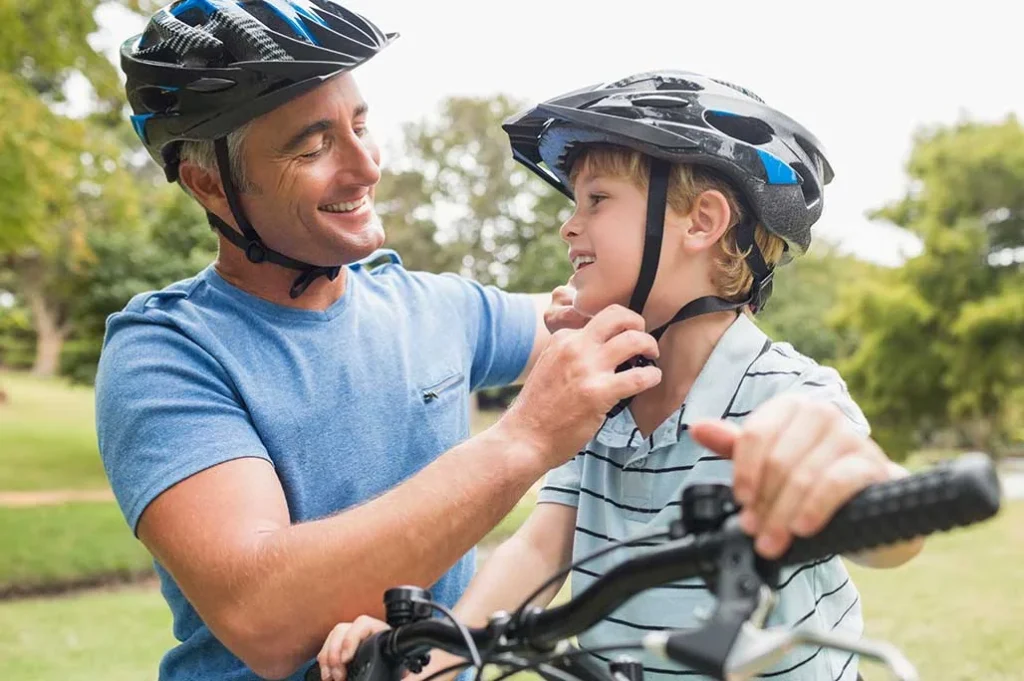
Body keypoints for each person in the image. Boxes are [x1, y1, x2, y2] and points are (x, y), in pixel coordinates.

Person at [95, 3, 662, 680]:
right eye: (313, 144)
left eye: (360, 125)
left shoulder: (433, 307)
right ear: (210, 184)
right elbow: (263, 614)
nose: (366, 167)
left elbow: (595, 314)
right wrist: (525, 439)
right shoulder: (167, 352)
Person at [315, 71, 924, 681]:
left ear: (701, 222)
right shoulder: (605, 398)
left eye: (597, 199)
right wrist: (437, 659)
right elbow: (538, 547)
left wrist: (854, 483)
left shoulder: (787, 395)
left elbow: (889, 538)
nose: (569, 225)